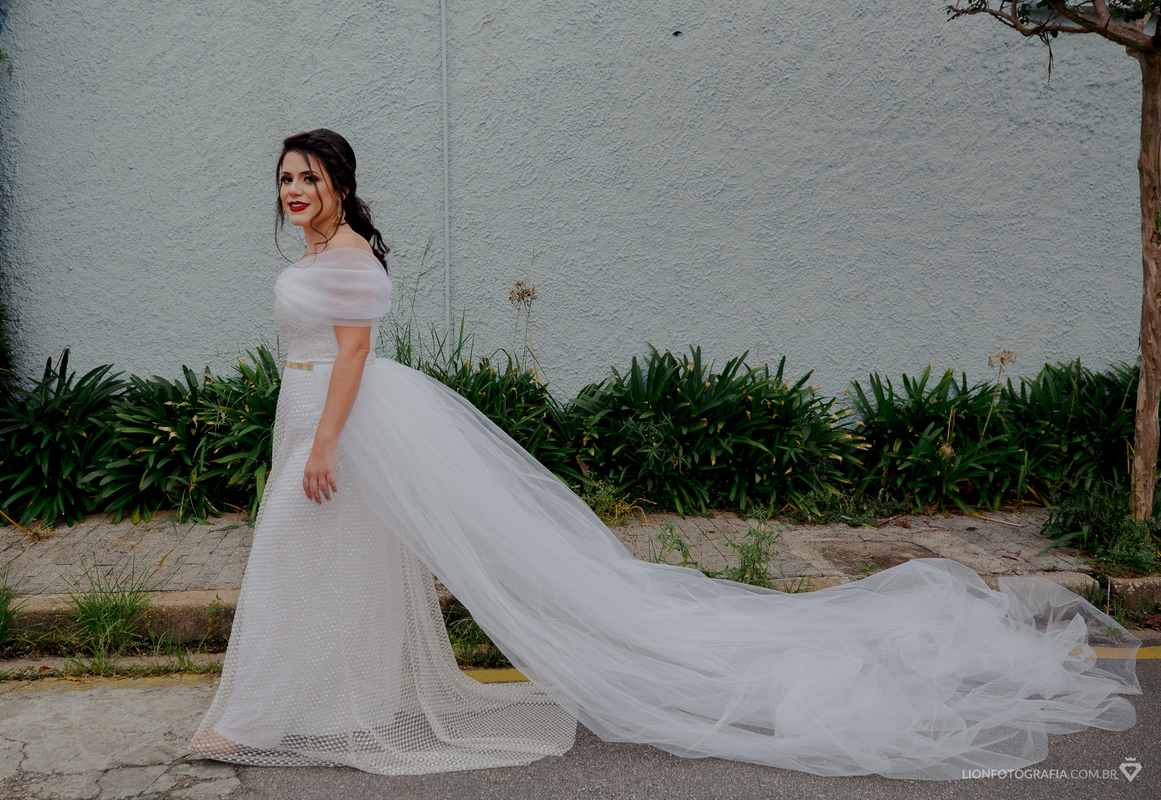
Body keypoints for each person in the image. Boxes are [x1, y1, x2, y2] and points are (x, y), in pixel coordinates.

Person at [190, 128, 1141, 780]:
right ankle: (338, 696)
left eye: (308, 178)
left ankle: (250, 716)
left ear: (341, 186)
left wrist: (322, 443)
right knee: (338, 563)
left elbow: (352, 357)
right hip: (322, 415)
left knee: (286, 551)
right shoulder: (323, 256)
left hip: (346, 422)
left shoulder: (349, 255)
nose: (293, 191)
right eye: (285, 178)